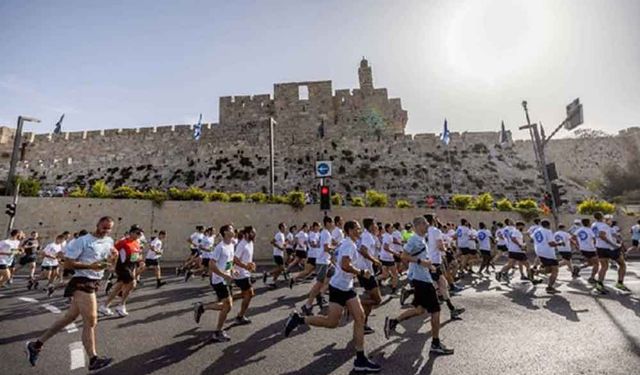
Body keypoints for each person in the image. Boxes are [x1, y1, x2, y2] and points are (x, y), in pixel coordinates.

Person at [284, 220, 381, 373]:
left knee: (359, 318)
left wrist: (339, 271)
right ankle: (299, 319)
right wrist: (361, 273)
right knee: (332, 323)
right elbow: (345, 265)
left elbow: (336, 257)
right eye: (356, 229)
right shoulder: (349, 244)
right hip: (340, 288)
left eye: (360, 229)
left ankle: (360, 358)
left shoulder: (347, 242)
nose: (359, 231)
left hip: (344, 287)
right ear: (349, 231)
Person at [26, 217, 117, 371]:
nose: (106, 230)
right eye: (103, 227)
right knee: (91, 320)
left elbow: (106, 260)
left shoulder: (109, 241)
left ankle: (36, 345)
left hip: (95, 281)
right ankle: (93, 359)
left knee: (70, 317)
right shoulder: (82, 241)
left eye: (109, 228)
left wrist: (111, 259)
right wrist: (91, 266)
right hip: (82, 280)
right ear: (97, 225)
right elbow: (68, 263)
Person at [383, 216, 454, 355]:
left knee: (420, 310)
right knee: (436, 310)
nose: (428, 225)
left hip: (422, 277)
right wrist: (421, 262)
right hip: (421, 280)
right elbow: (403, 256)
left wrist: (430, 266)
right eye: (425, 223)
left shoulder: (422, 239)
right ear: (418, 225)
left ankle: (392, 322)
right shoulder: (414, 239)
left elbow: (419, 258)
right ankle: (435, 343)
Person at [194, 224, 236, 342]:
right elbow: (211, 265)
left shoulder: (231, 245)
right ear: (225, 232)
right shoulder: (220, 247)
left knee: (226, 306)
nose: (233, 231)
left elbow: (229, 262)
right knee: (227, 305)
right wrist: (224, 275)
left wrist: (233, 271)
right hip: (219, 280)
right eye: (231, 229)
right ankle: (218, 332)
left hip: (226, 279)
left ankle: (202, 307)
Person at [425, 214, 465, 320]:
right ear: (432, 220)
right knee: (438, 285)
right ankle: (449, 309)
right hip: (435, 261)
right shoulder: (435, 231)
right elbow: (440, 246)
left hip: (427, 261)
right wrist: (446, 249)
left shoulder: (423, 232)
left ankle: (451, 308)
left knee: (441, 284)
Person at [99, 225, 144, 317]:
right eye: (137, 233)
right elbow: (112, 251)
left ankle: (104, 306)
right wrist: (111, 264)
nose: (139, 235)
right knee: (132, 283)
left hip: (131, 267)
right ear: (131, 233)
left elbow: (136, 256)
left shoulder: (136, 243)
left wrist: (140, 262)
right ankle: (121, 305)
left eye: (140, 233)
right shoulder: (123, 242)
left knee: (118, 288)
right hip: (122, 267)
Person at [301, 216, 336, 315]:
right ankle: (308, 305)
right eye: (332, 222)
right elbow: (326, 248)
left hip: (327, 261)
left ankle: (321, 294)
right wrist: (336, 248)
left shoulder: (326, 233)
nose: (333, 224)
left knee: (333, 273)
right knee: (319, 283)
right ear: (328, 223)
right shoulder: (325, 233)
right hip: (322, 261)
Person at [592, 212, 630, 293]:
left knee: (604, 266)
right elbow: (602, 236)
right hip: (609, 248)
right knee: (622, 264)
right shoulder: (603, 225)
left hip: (600, 247)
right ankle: (620, 283)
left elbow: (610, 233)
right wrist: (614, 245)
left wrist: (618, 239)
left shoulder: (594, 225)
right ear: (602, 217)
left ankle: (599, 284)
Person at [356, 218, 382, 334]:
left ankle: (363, 324)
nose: (376, 226)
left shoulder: (367, 235)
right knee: (377, 300)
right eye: (375, 224)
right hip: (365, 271)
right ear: (371, 226)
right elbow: (362, 250)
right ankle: (354, 302)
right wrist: (375, 260)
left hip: (366, 270)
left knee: (370, 298)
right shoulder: (367, 236)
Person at [232, 226, 257, 325]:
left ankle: (228, 298)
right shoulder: (242, 244)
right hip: (241, 274)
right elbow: (235, 259)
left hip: (246, 273)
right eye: (252, 233)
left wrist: (252, 264)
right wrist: (245, 266)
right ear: (247, 234)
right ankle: (240, 316)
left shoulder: (250, 243)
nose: (254, 235)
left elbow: (247, 259)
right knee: (250, 294)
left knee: (245, 294)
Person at [532, 220, 562, 294]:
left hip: (539, 252)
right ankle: (550, 287)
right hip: (548, 253)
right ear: (548, 225)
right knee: (555, 270)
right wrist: (559, 243)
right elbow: (551, 244)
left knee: (548, 270)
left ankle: (535, 271)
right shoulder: (548, 231)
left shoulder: (536, 231)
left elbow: (532, 239)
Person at [290, 222, 320, 288]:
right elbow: (313, 244)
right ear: (315, 227)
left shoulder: (315, 234)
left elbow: (308, 243)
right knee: (321, 271)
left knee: (308, 271)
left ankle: (294, 278)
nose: (319, 228)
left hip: (313, 255)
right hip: (314, 256)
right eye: (318, 226)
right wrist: (321, 245)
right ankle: (319, 288)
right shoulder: (313, 234)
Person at [572, 218, 599, 283]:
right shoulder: (590, 230)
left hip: (583, 249)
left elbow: (573, 237)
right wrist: (596, 247)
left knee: (590, 263)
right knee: (596, 264)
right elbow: (594, 240)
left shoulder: (579, 229)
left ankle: (578, 267)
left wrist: (577, 245)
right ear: (588, 223)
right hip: (590, 249)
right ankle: (592, 278)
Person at [264, 223, 288, 288]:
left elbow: (281, 244)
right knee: (281, 268)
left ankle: (272, 282)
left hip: (280, 254)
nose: (286, 227)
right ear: (281, 227)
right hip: (277, 254)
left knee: (279, 270)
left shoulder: (282, 235)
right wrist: (280, 247)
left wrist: (284, 245)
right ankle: (268, 273)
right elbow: (272, 242)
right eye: (285, 226)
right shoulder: (278, 234)